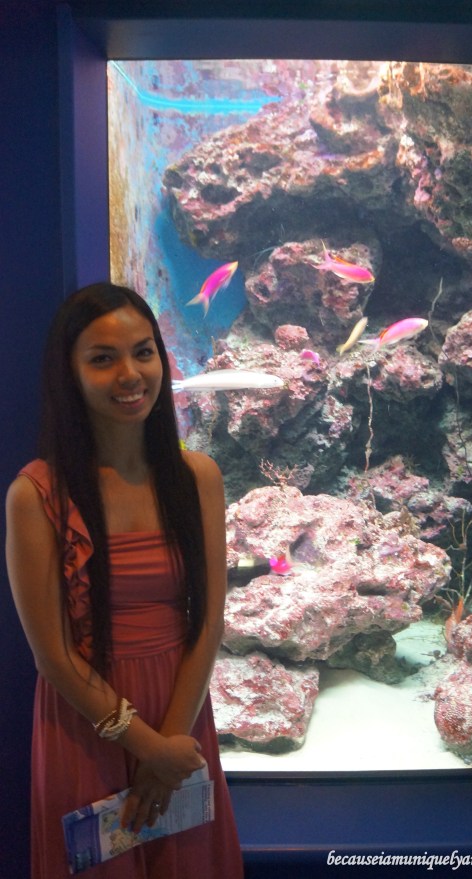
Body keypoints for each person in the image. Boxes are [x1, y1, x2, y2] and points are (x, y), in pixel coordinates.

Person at [5, 283, 244, 878]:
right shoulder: (36, 494)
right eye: (102, 358)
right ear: (71, 373)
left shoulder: (199, 477)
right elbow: (53, 656)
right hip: (89, 723)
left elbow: (209, 619)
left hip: (179, 709)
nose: (130, 374)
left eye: (143, 352)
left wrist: (171, 744)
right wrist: (147, 747)